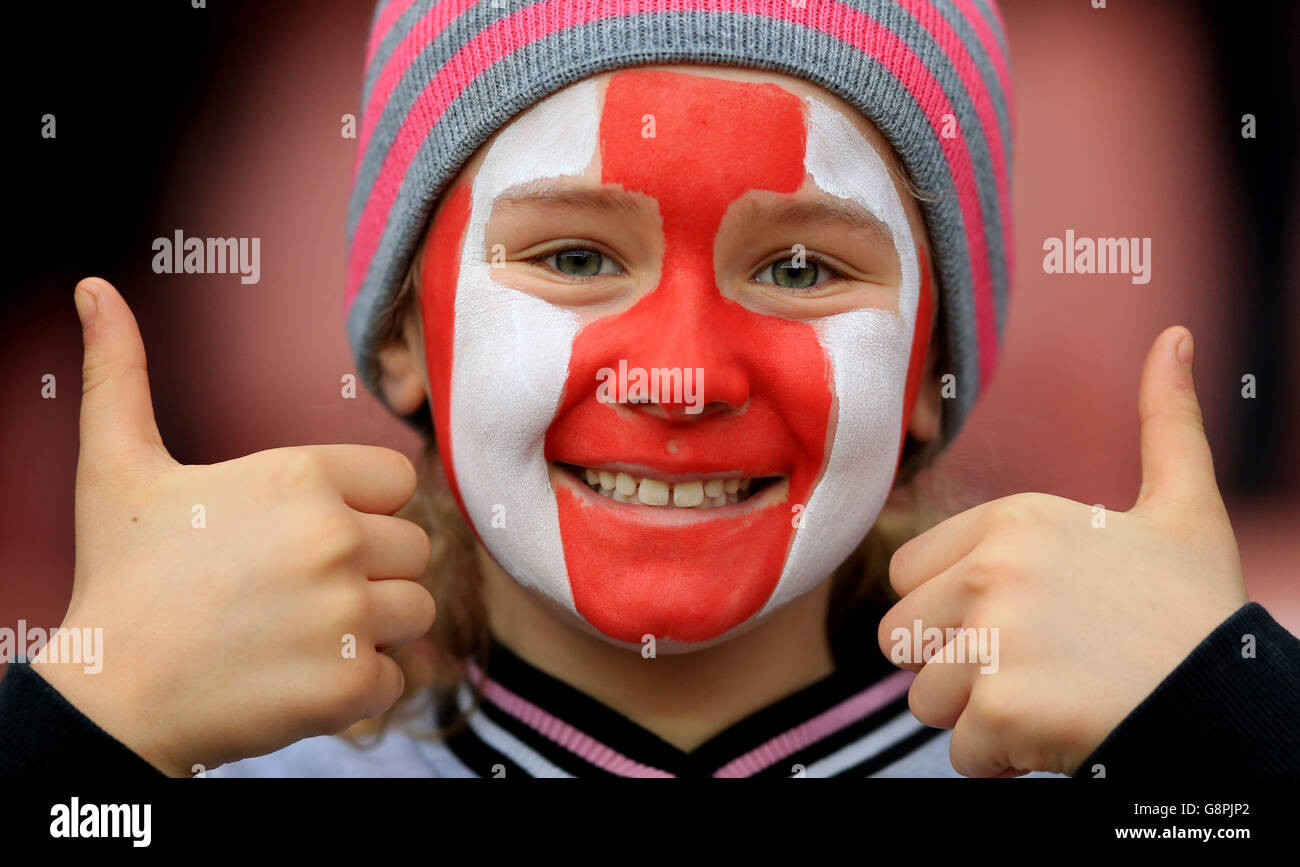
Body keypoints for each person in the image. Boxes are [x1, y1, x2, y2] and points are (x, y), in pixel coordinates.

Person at [2, 0, 1297, 779]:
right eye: (574, 256)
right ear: (403, 334)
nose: (679, 372)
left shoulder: (1155, 764)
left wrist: (1238, 723)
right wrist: (82, 731)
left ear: (928, 370)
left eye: (798, 266)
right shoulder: (183, 765)